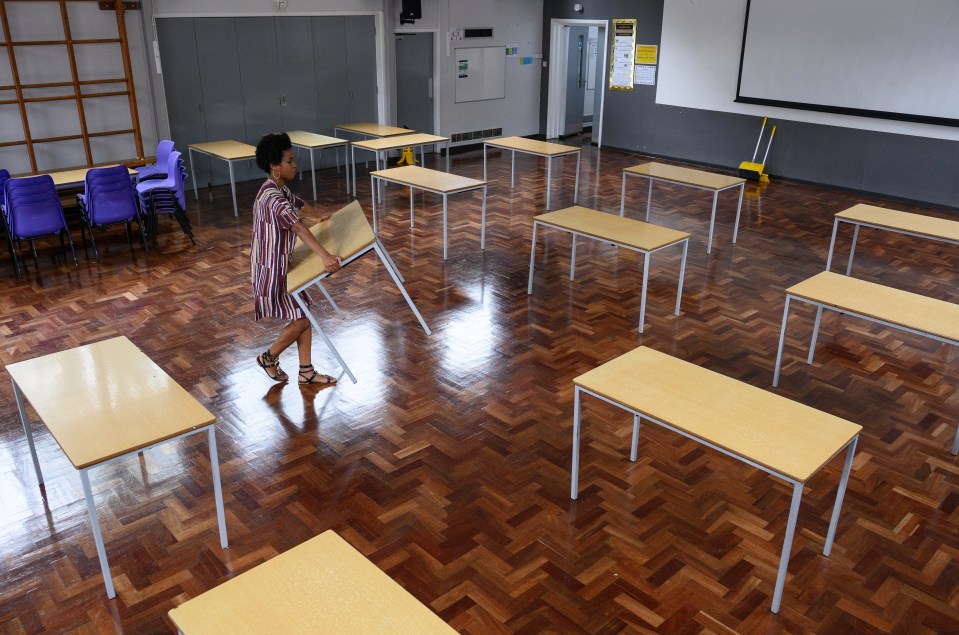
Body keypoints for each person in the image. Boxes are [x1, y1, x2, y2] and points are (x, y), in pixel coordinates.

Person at [251, 132, 341, 386]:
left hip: (278, 264)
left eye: (293, 160)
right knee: (302, 318)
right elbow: (298, 227)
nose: (294, 165)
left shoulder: (276, 188)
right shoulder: (273, 199)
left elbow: (299, 204)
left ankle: (306, 371)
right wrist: (325, 256)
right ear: (274, 166)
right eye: (289, 161)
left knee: (304, 313)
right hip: (271, 270)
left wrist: (319, 216)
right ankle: (268, 357)